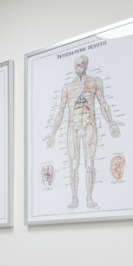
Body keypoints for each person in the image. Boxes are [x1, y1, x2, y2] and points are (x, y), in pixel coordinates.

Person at [45, 55, 122, 209]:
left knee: (89, 163)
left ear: (86, 65)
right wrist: (53, 132)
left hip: (89, 126)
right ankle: (74, 198)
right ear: (74, 67)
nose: (80, 67)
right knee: (74, 165)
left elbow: (103, 104)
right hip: (73, 127)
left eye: (82, 64)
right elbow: (60, 111)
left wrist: (111, 122)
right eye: (77, 65)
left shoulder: (95, 83)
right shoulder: (67, 88)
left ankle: (89, 198)